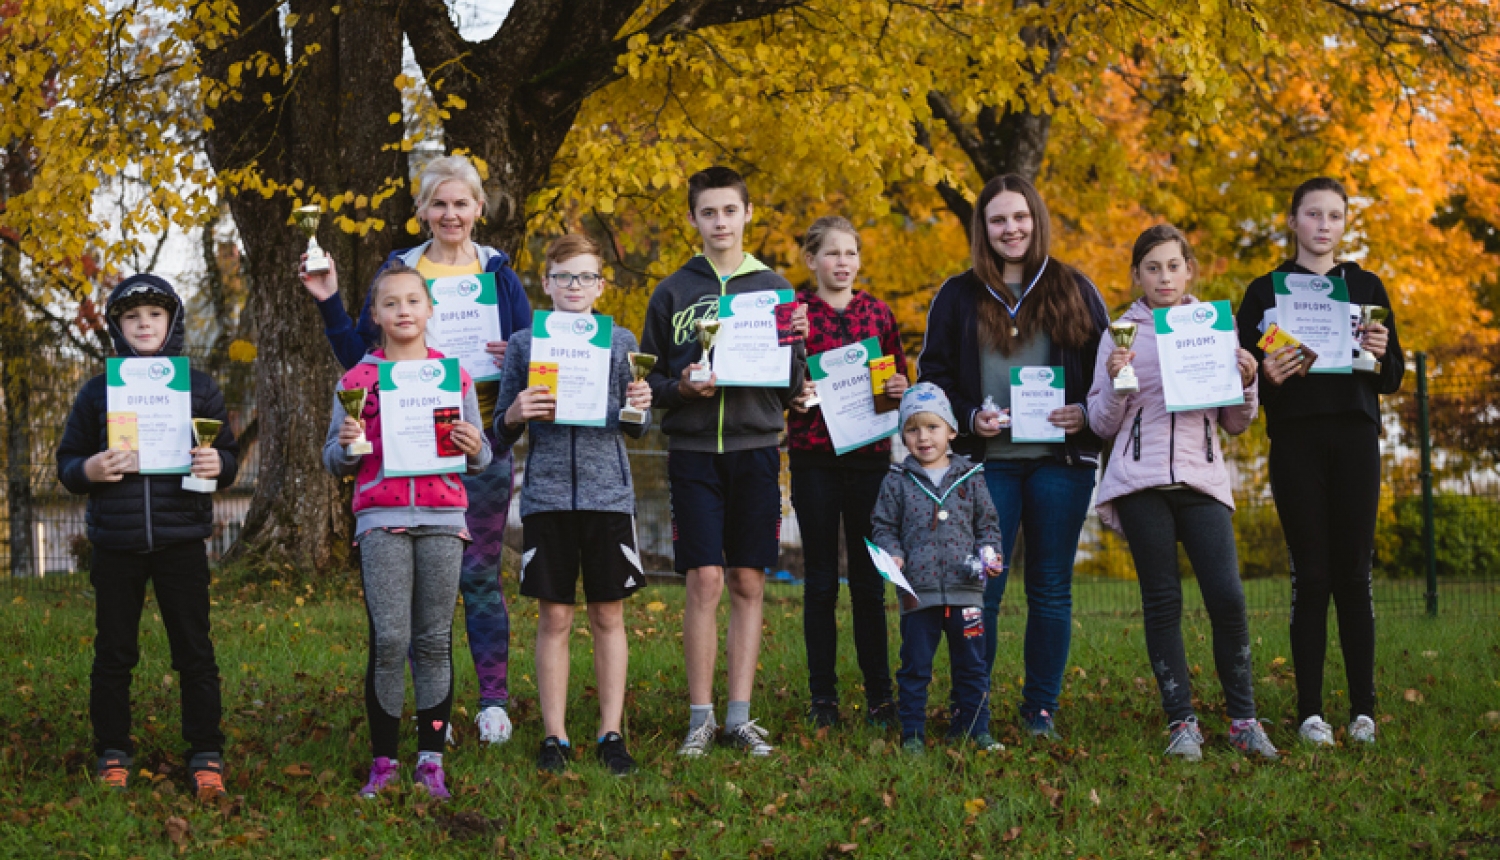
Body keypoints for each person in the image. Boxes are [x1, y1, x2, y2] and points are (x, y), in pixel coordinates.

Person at [299, 154, 526, 745]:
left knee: (478, 575)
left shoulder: (500, 275)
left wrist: (515, 364)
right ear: (422, 210)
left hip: (476, 443)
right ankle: (431, 716)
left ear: (479, 208)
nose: (451, 213)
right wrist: (328, 302)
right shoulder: (398, 273)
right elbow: (360, 363)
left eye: (462, 202)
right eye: (439, 203)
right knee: (409, 605)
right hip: (397, 459)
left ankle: (492, 701)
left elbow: (532, 358)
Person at [918, 174, 1109, 740]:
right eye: (998, 220)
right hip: (985, 466)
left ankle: (1039, 712)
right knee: (984, 589)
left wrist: (1082, 411)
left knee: (1050, 587)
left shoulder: (1075, 287)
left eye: (1020, 217)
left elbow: (1110, 371)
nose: (1011, 229)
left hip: (1060, 466)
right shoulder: (957, 294)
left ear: (1037, 220)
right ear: (983, 228)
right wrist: (968, 416)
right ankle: (973, 712)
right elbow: (933, 377)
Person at [1088, 224, 1278, 760]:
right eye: (1152, 268)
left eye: (1173, 266)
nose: (1164, 276)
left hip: (1202, 480)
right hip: (1140, 482)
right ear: (1137, 276)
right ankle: (1182, 724)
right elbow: (1103, 424)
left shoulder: (1217, 328)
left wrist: (1247, 380)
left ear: (1189, 269)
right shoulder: (1119, 332)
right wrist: (1116, 378)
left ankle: (1243, 720)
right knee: (1163, 601)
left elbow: (1236, 423)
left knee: (1228, 598)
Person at [640, 165, 807, 757]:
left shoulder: (776, 287)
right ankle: (700, 718)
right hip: (691, 452)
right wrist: (681, 387)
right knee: (704, 579)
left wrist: (800, 346)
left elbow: (793, 385)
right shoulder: (671, 290)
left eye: (728, 211)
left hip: (757, 447)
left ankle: (739, 717)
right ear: (693, 219)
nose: (719, 222)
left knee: (747, 579)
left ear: (747, 214)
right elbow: (648, 381)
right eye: (707, 212)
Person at [56, 273, 240, 797]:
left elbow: (225, 460)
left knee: (194, 652)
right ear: (116, 327)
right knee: (114, 652)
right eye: (132, 317)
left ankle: (205, 753)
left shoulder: (199, 388)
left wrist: (216, 461)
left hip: (182, 540)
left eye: (154, 315)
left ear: (172, 322)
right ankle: (113, 751)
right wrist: (90, 467)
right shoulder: (97, 393)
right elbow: (66, 464)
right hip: (116, 544)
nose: (143, 323)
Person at [1235, 177, 1403, 747]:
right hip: (1297, 443)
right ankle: (1310, 712)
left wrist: (1380, 353)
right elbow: (1247, 386)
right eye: (1313, 213)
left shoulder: (1366, 285)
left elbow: (1394, 376)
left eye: (1334, 214)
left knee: (1354, 575)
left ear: (1344, 223)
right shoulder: (1264, 293)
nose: (1324, 224)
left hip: (1355, 437)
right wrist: (1268, 375)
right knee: (1311, 576)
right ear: (1293, 222)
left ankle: (1363, 712)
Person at [322, 263, 492, 799]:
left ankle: (431, 761)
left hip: (443, 519)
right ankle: (383, 761)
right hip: (381, 520)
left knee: (433, 639)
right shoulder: (356, 381)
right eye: (390, 303)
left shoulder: (453, 375)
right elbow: (332, 459)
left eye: (413, 302)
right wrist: (348, 445)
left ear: (429, 311)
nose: (403, 312)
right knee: (391, 638)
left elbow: (482, 456)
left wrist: (472, 445)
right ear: (374, 315)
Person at [493, 235, 653, 775]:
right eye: (564, 276)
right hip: (547, 498)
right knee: (554, 616)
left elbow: (636, 429)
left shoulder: (621, 340)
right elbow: (499, 429)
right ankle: (554, 736)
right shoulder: (524, 344)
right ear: (547, 282)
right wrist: (515, 411)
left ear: (601, 285)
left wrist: (638, 405)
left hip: (609, 496)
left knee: (608, 614)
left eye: (586, 277)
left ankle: (612, 733)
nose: (575, 287)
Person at [786, 216, 905, 729]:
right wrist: (793, 392)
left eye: (850, 253)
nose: (842, 262)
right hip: (814, 457)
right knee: (819, 583)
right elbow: (778, 383)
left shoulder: (877, 313)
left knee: (869, 582)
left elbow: (896, 378)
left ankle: (880, 697)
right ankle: (823, 700)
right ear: (811, 260)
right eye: (832, 253)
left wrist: (898, 385)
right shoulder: (793, 314)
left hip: (870, 457)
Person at [870, 383, 1005, 754]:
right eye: (912, 429)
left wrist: (990, 554)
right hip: (918, 593)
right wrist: (893, 553)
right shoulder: (896, 480)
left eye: (932, 427)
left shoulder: (972, 477)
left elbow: (988, 526)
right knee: (914, 666)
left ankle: (976, 728)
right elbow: (883, 526)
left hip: (967, 590)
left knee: (973, 665)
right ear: (903, 436)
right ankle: (913, 732)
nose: (923, 437)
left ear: (951, 431)